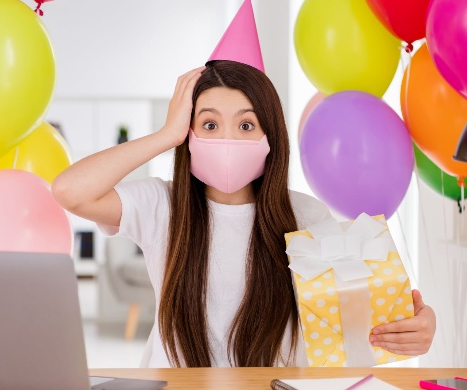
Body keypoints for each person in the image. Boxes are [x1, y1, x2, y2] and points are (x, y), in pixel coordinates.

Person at [52, 60, 436, 368]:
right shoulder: (162, 205)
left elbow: (350, 317)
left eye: (246, 125)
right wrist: (165, 135)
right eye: (210, 124)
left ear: (270, 139)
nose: (228, 139)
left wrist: (412, 326)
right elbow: (70, 191)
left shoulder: (305, 214)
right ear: (189, 134)